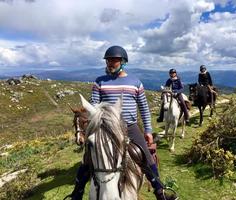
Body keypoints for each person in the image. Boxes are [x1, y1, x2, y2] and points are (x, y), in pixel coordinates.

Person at [69, 46, 178, 200]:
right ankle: (77, 193)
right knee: (88, 158)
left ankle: (160, 192)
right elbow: (94, 105)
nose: (110, 63)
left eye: (114, 60)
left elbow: (144, 108)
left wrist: (147, 130)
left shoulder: (135, 82)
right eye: (108, 60)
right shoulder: (99, 82)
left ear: (123, 62)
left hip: (130, 126)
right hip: (106, 127)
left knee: (147, 156)